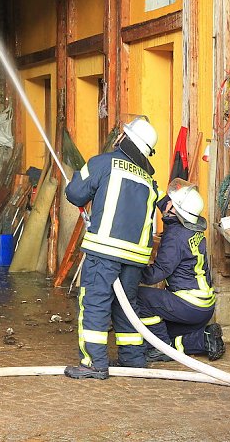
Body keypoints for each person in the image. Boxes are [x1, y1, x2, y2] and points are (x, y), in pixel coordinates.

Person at [63, 116, 159, 380]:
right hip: (135, 258)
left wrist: (76, 180)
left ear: (124, 139)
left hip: (104, 251)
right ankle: (132, 361)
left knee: (95, 303)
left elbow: (75, 193)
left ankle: (94, 363)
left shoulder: (102, 163)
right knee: (126, 308)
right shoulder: (151, 181)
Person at [133, 178, 225, 363]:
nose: (166, 203)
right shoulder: (192, 231)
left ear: (175, 211)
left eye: (170, 202)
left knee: (138, 297)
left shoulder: (175, 236)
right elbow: (165, 204)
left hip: (188, 306)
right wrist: (148, 184)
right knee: (165, 330)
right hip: (203, 308)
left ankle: (160, 349)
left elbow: (157, 273)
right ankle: (204, 339)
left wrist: (132, 270)